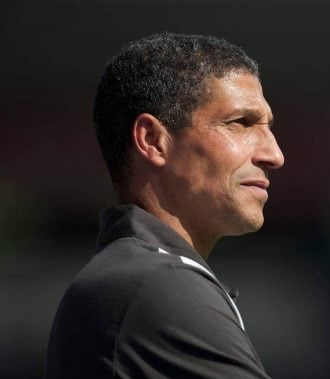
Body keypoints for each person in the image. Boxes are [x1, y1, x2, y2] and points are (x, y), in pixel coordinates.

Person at [45, 32, 284, 378]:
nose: (274, 155)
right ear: (153, 140)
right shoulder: (156, 286)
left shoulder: (133, 278)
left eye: (268, 127)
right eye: (240, 123)